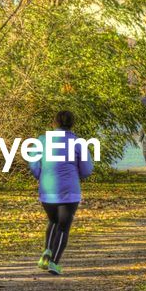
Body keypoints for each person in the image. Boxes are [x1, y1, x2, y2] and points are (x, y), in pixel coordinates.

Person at [29, 110, 93, 275]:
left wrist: (41, 177)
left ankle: (47, 251)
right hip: (69, 192)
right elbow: (86, 169)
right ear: (72, 124)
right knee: (63, 227)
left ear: (54, 122)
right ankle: (53, 263)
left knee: (53, 220)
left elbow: (34, 164)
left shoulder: (42, 140)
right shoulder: (77, 143)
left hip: (47, 190)